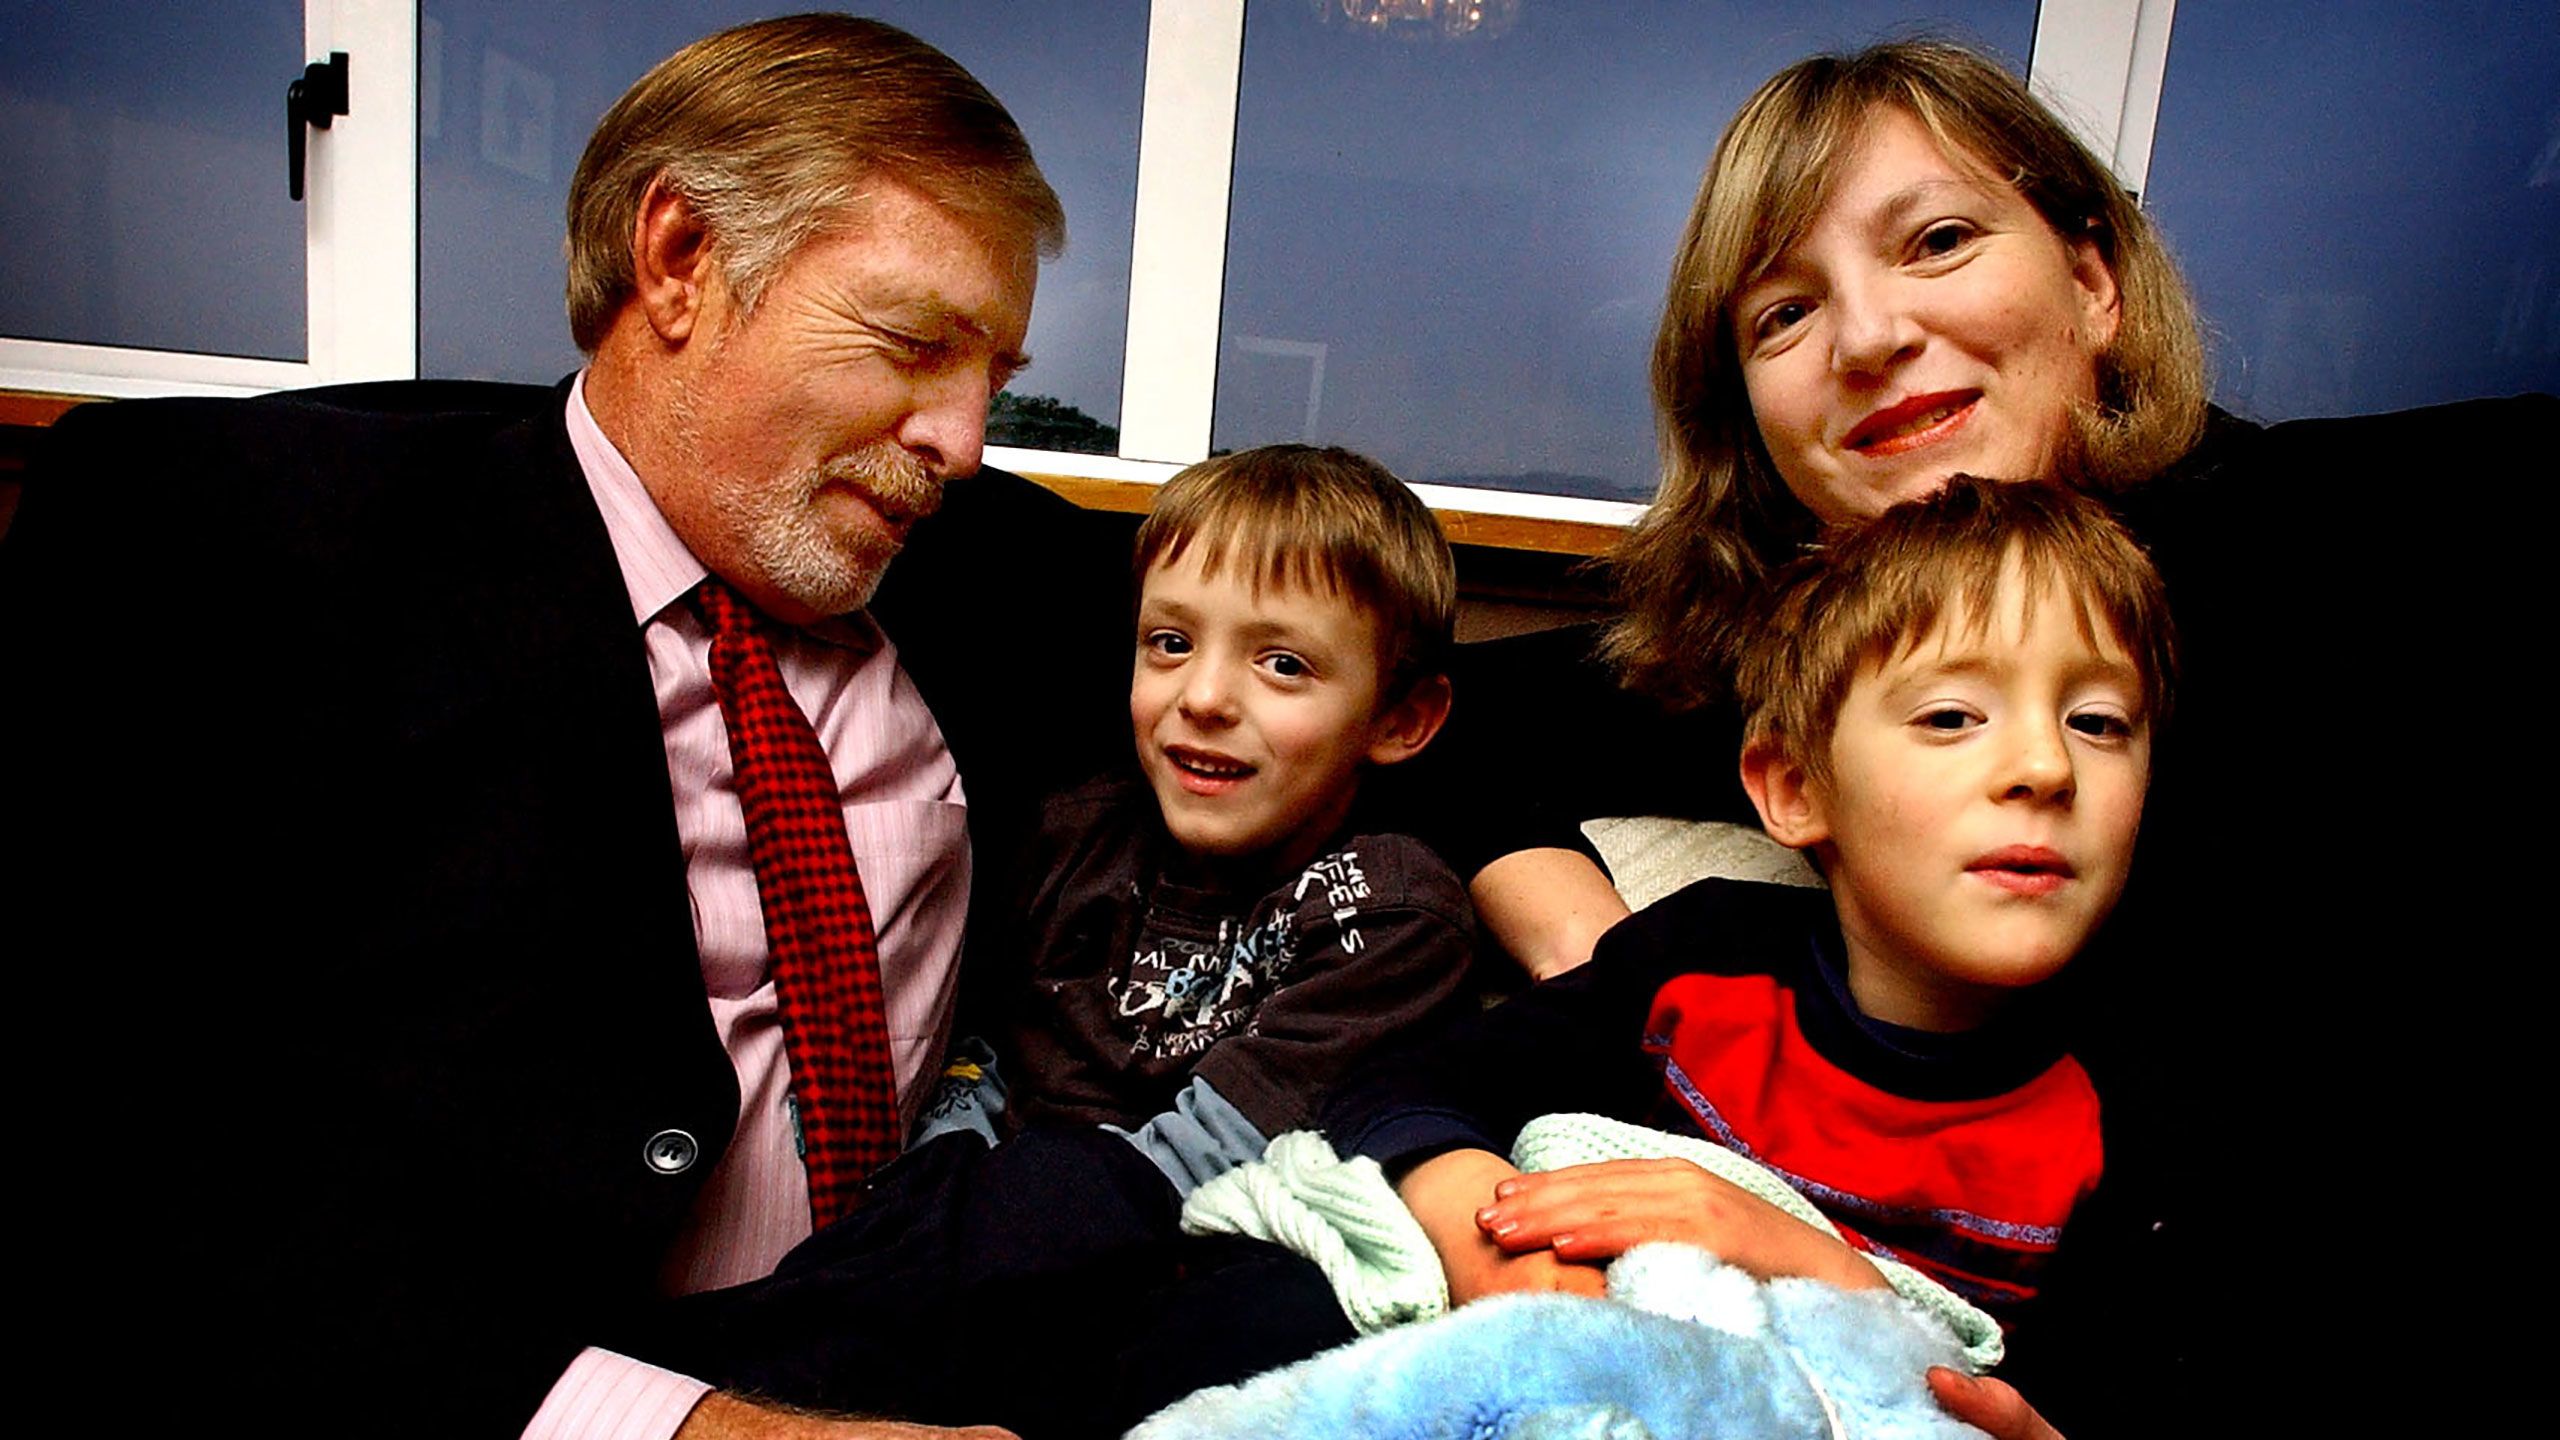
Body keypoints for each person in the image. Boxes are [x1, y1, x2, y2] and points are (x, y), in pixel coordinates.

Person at [1389, 36, 2554, 1438]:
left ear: (2093, 282)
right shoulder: (1833, 683)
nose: (1868, 337)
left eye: (1937, 241)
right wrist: (1588, 953)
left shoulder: (2396, 533)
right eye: (1784, 314)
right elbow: (1446, 722)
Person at [1, 16, 1130, 1439]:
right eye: (915, 344)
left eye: (997, 379)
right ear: (681, 259)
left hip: (921, 1359)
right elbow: (120, 1155)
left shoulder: (1007, 580)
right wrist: (690, 1430)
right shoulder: (243, 552)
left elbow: (1340, 690)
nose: (963, 442)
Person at [620, 446, 1477, 1438]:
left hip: (1195, 1232)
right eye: (1169, 644)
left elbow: (1229, 1142)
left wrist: (1001, 1222)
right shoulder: (1076, 834)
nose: (1203, 697)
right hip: (997, 1232)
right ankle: (662, 1385)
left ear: (1400, 719)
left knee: (1257, 1307)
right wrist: (944, 1180)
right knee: (892, 1243)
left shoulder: (1389, 910)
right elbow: (989, 1047)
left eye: (1282, 664)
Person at [1337, 477, 2170, 1365]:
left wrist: (1803, 1258)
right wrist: (1486, 1236)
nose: (2047, 766)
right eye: (1952, 716)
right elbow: (1395, 1090)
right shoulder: (1700, 963)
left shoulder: (2134, 1100)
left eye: (2098, 723)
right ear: (1796, 788)